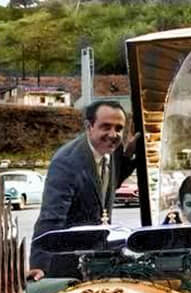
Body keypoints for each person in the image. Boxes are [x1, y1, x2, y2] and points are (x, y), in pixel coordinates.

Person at [29, 100, 139, 279]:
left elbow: (104, 188)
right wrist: (39, 266)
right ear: (89, 127)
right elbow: (51, 218)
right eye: (106, 127)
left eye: (119, 128)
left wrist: (130, 159)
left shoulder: (114, 151)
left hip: (101, 261)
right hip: (69, 267)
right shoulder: (67, 162)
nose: (113, 134)